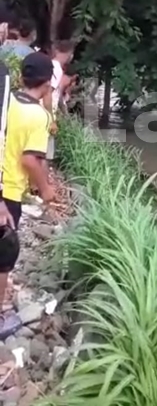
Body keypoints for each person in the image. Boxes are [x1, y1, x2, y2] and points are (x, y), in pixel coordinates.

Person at [0, 53, 58, 315]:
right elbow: (30, 160)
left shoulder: (7, 99)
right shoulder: (38, 116)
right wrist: (45, 189)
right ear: (47, 83)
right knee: (5, 253)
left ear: (21, 77)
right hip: (8, 189)